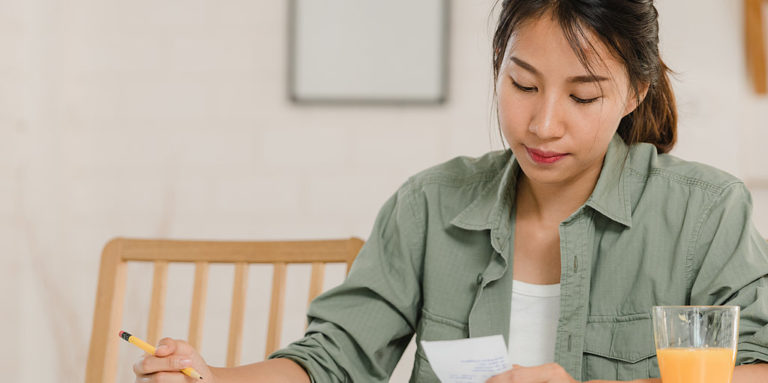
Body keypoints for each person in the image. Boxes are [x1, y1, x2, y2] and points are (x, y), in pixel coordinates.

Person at [133, 1, 768, 382]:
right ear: (498, 67)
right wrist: (212, 377)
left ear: (635, 91)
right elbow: (333, 360)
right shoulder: (430, 206)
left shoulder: (705, 213)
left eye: (582, 96)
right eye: (523, 85)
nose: (544, 124)